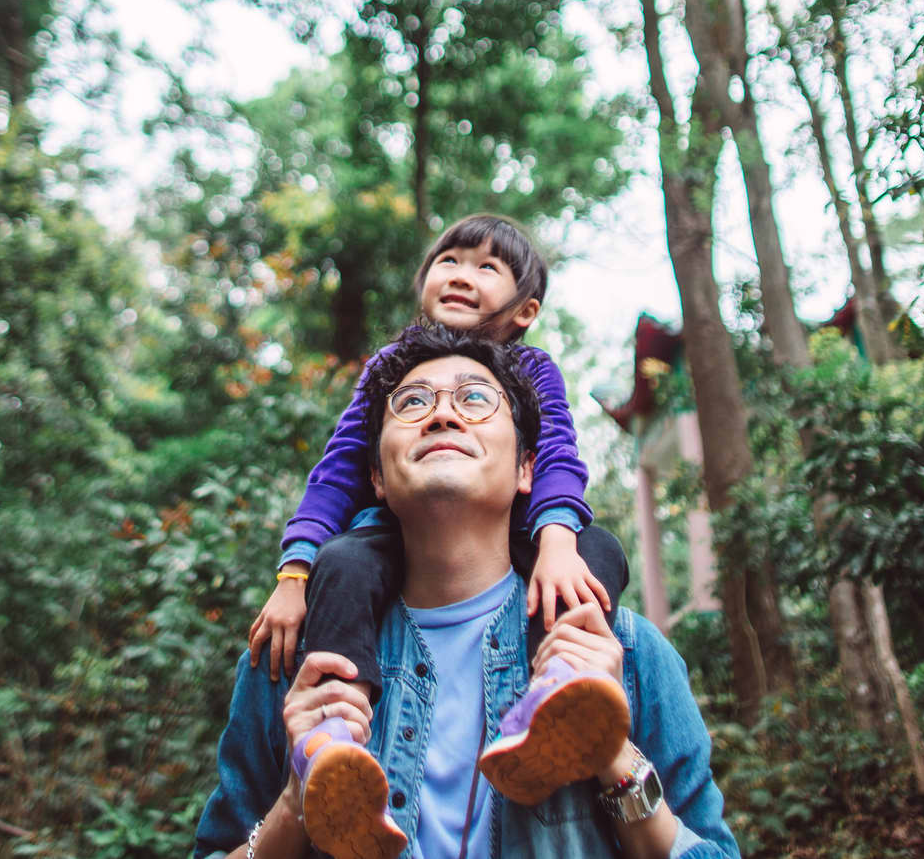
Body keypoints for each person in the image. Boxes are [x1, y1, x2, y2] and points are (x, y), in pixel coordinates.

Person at [195, 322, 742, 859]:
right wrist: (296, 804)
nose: (442, 414)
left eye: (476, 398)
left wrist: (614, 755)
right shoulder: (295, 664)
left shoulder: (626, 653)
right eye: (410, 404)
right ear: (378, 480)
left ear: (528, 468)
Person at [247, 219, 634, 827]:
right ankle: (330, 741)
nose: (460, 273)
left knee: (596, 551)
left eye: (487, 267)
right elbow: (338, 468)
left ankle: (558, 691)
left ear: (525, 309)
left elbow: (557, 451)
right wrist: (294, 574)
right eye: (448, 259)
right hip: (391, 535)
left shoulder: (533, 370)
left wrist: (557, 536)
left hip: (522, 528)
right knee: (341, 562)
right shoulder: (391, 368)